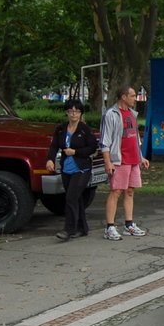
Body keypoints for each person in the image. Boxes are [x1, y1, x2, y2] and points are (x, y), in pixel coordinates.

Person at [100, 86, 150, 241]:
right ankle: (110, 227)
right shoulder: (111, 114)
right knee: (116, 191)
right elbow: (105, 141)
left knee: (130, 191)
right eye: (133, 96)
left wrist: (141, 157)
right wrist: (108, 161)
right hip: (119, 160)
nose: (135, 98)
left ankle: (129, 225)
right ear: (123, 97)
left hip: (133, 159)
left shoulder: (132, 114)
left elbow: (135, 138)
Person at [45, 99, 98, 241]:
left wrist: (75, 152)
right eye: (71, 111)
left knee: (71, 197)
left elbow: (92, 148)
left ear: (81, 113)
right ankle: (82, 228)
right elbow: (54, 146)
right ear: (66, 112)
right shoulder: (61, 129)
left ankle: (68, 229)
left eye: (77, 111)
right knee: (76, 199)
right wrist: (50, 159)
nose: (74, 114)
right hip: (66, 168)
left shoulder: (85, 130)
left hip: (81, 168)